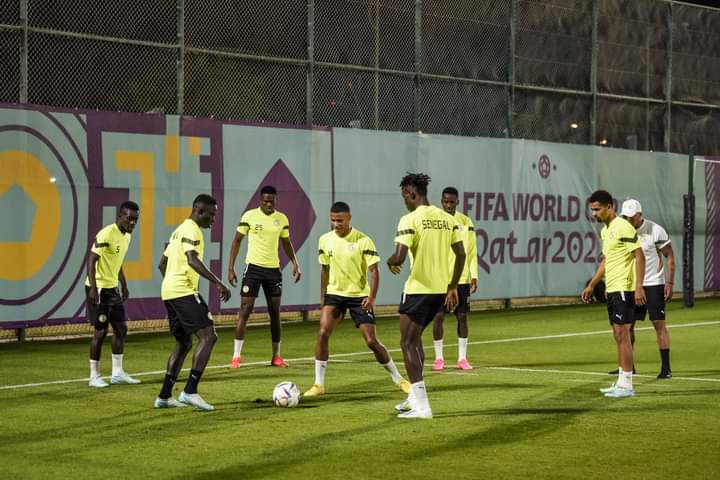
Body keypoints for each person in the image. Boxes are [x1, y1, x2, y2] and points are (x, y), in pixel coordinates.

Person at [304, 202, 411, 397]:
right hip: (335, 295)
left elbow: (374, 271)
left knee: (371, 341)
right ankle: (318, 385)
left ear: (349, 218)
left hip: (359, 297)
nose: (336, 224)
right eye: (333, 220)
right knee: (322, 333)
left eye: (340, 220)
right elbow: (325, 270)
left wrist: (371, 297)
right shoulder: (324, 240)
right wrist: (323, 296)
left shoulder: (363, 240)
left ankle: (399, 379)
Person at [387, 173, 466, 419]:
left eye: (404, 197)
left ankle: (423, 407)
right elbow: (461, 254)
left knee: (407, 343)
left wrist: (391, 260)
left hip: (418, 289)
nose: (404, 201)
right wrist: (453, 286)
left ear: (411, 194)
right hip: (440, 290)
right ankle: (413, 398)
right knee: (416, 340)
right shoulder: (446, 218)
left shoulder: (409, 219)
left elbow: (399, 257)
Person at [155, 194, 231, 411]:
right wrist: (218, 283)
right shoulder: (192, 229)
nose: (214, 219)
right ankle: (190, 391)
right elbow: (192, 259)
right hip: (182, 291)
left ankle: (164, 396)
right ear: (199, 211)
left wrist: (171, 283)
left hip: (169, 291)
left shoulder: (178, 230)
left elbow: (162, 263)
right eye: (212, 215)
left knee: (184, 343)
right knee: (208, 336)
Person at [228, 186, 301, 368]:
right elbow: (237, 240)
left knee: (275, 313)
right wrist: (231, 268)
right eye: (265, 201)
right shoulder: (249, 216)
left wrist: (294, 263)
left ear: (276, 200)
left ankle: (276, 356)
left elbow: (286, 242)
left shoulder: (281, 218)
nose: (269, 204)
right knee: (245, 310)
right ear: (260, 200)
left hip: (273, 271)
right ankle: (236, 356)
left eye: (272, 201)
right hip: (253, 269)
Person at [582, 190, 646, 398]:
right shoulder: (605, 230)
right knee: (618, 335)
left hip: (624, 288)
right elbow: (606, 261)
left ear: (610, 207)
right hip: (612, 289)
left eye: (597, 209)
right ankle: (621, 381)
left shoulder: (623, 226)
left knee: (623, 335)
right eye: (592, 210)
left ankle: (627, 385)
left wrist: (639, 287)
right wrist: (592, 284)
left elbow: (639, 255)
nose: (594, 214)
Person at [86, 201, 141, 388]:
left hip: (112, 288)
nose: (133, 223)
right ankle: (94, 376)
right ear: (120, 216)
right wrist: (93, 288)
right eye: (129, 219)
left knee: (121, 329)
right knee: (100, 332)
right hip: (99, 288)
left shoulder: (127, 236)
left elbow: (117, 262)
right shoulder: (106, 233)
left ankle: (117, 373)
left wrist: (123, 285)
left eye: (136, 220)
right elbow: (91, 261)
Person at [618, 199, 675, 379]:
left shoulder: (655, 230)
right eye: (625, 216)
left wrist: (670, 283)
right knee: (627, 327)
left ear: (639, 214)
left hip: (653, 284)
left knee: (659, 325)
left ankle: (666, 369)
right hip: (631, 285)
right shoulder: (622, 231)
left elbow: (670, 256)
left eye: (631, 217)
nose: (628, 220)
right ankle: (629, 367)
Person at [431, 187, 478, 371]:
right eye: (445, 201)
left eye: (452, 202)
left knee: (462, 316)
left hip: (462, 279)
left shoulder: (466, 222)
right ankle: (439, 358)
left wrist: (474, 274)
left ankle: (462, 358)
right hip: (441, 279)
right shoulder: (436, 222)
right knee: (439, 316)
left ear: (457, 202)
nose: (448, 205)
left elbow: (471, 251)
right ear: (441, 201)